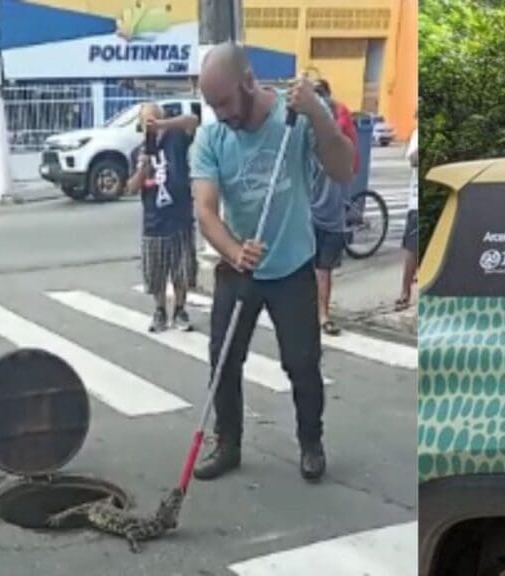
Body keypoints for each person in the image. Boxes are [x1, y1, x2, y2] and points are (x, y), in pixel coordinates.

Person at [189, 43, 355, 483]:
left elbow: (343, 169)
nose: (220, 113)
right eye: (211, 105)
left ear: (248, 82)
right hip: (239, 268)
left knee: (302, 363)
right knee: (224, 362)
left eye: (224, 102)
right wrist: (232, 250)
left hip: (292, 267)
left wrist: (319, 114)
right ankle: (228, 443)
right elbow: (205, 211)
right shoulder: (212, 137)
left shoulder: (293, 120)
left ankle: (311, 442)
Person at [125, 103, 200, 332]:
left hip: (179, 217)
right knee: (156, 272)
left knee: (182, 269)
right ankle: (159, 310)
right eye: (146, 123)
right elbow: (130, 188)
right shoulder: (138, 152)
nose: (151, 128)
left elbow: (193, 121)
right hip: (153, 221)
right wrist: (142, 169)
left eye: (153, 121)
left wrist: (163, 125)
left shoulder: (176, 138)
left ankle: (180, 309)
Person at [310, 79, 360, 336]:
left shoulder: (341, 141)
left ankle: (323, 314)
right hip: (308, 216)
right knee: (307, 270)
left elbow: (350, 168)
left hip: (332, 215)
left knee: (324, 269)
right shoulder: (304, 140)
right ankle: (310, 314)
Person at [396, 120, 419, 312]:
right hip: (415, 202)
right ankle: (405, 291)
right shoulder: (417, 134)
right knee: (411, 248)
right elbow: (412, 159)